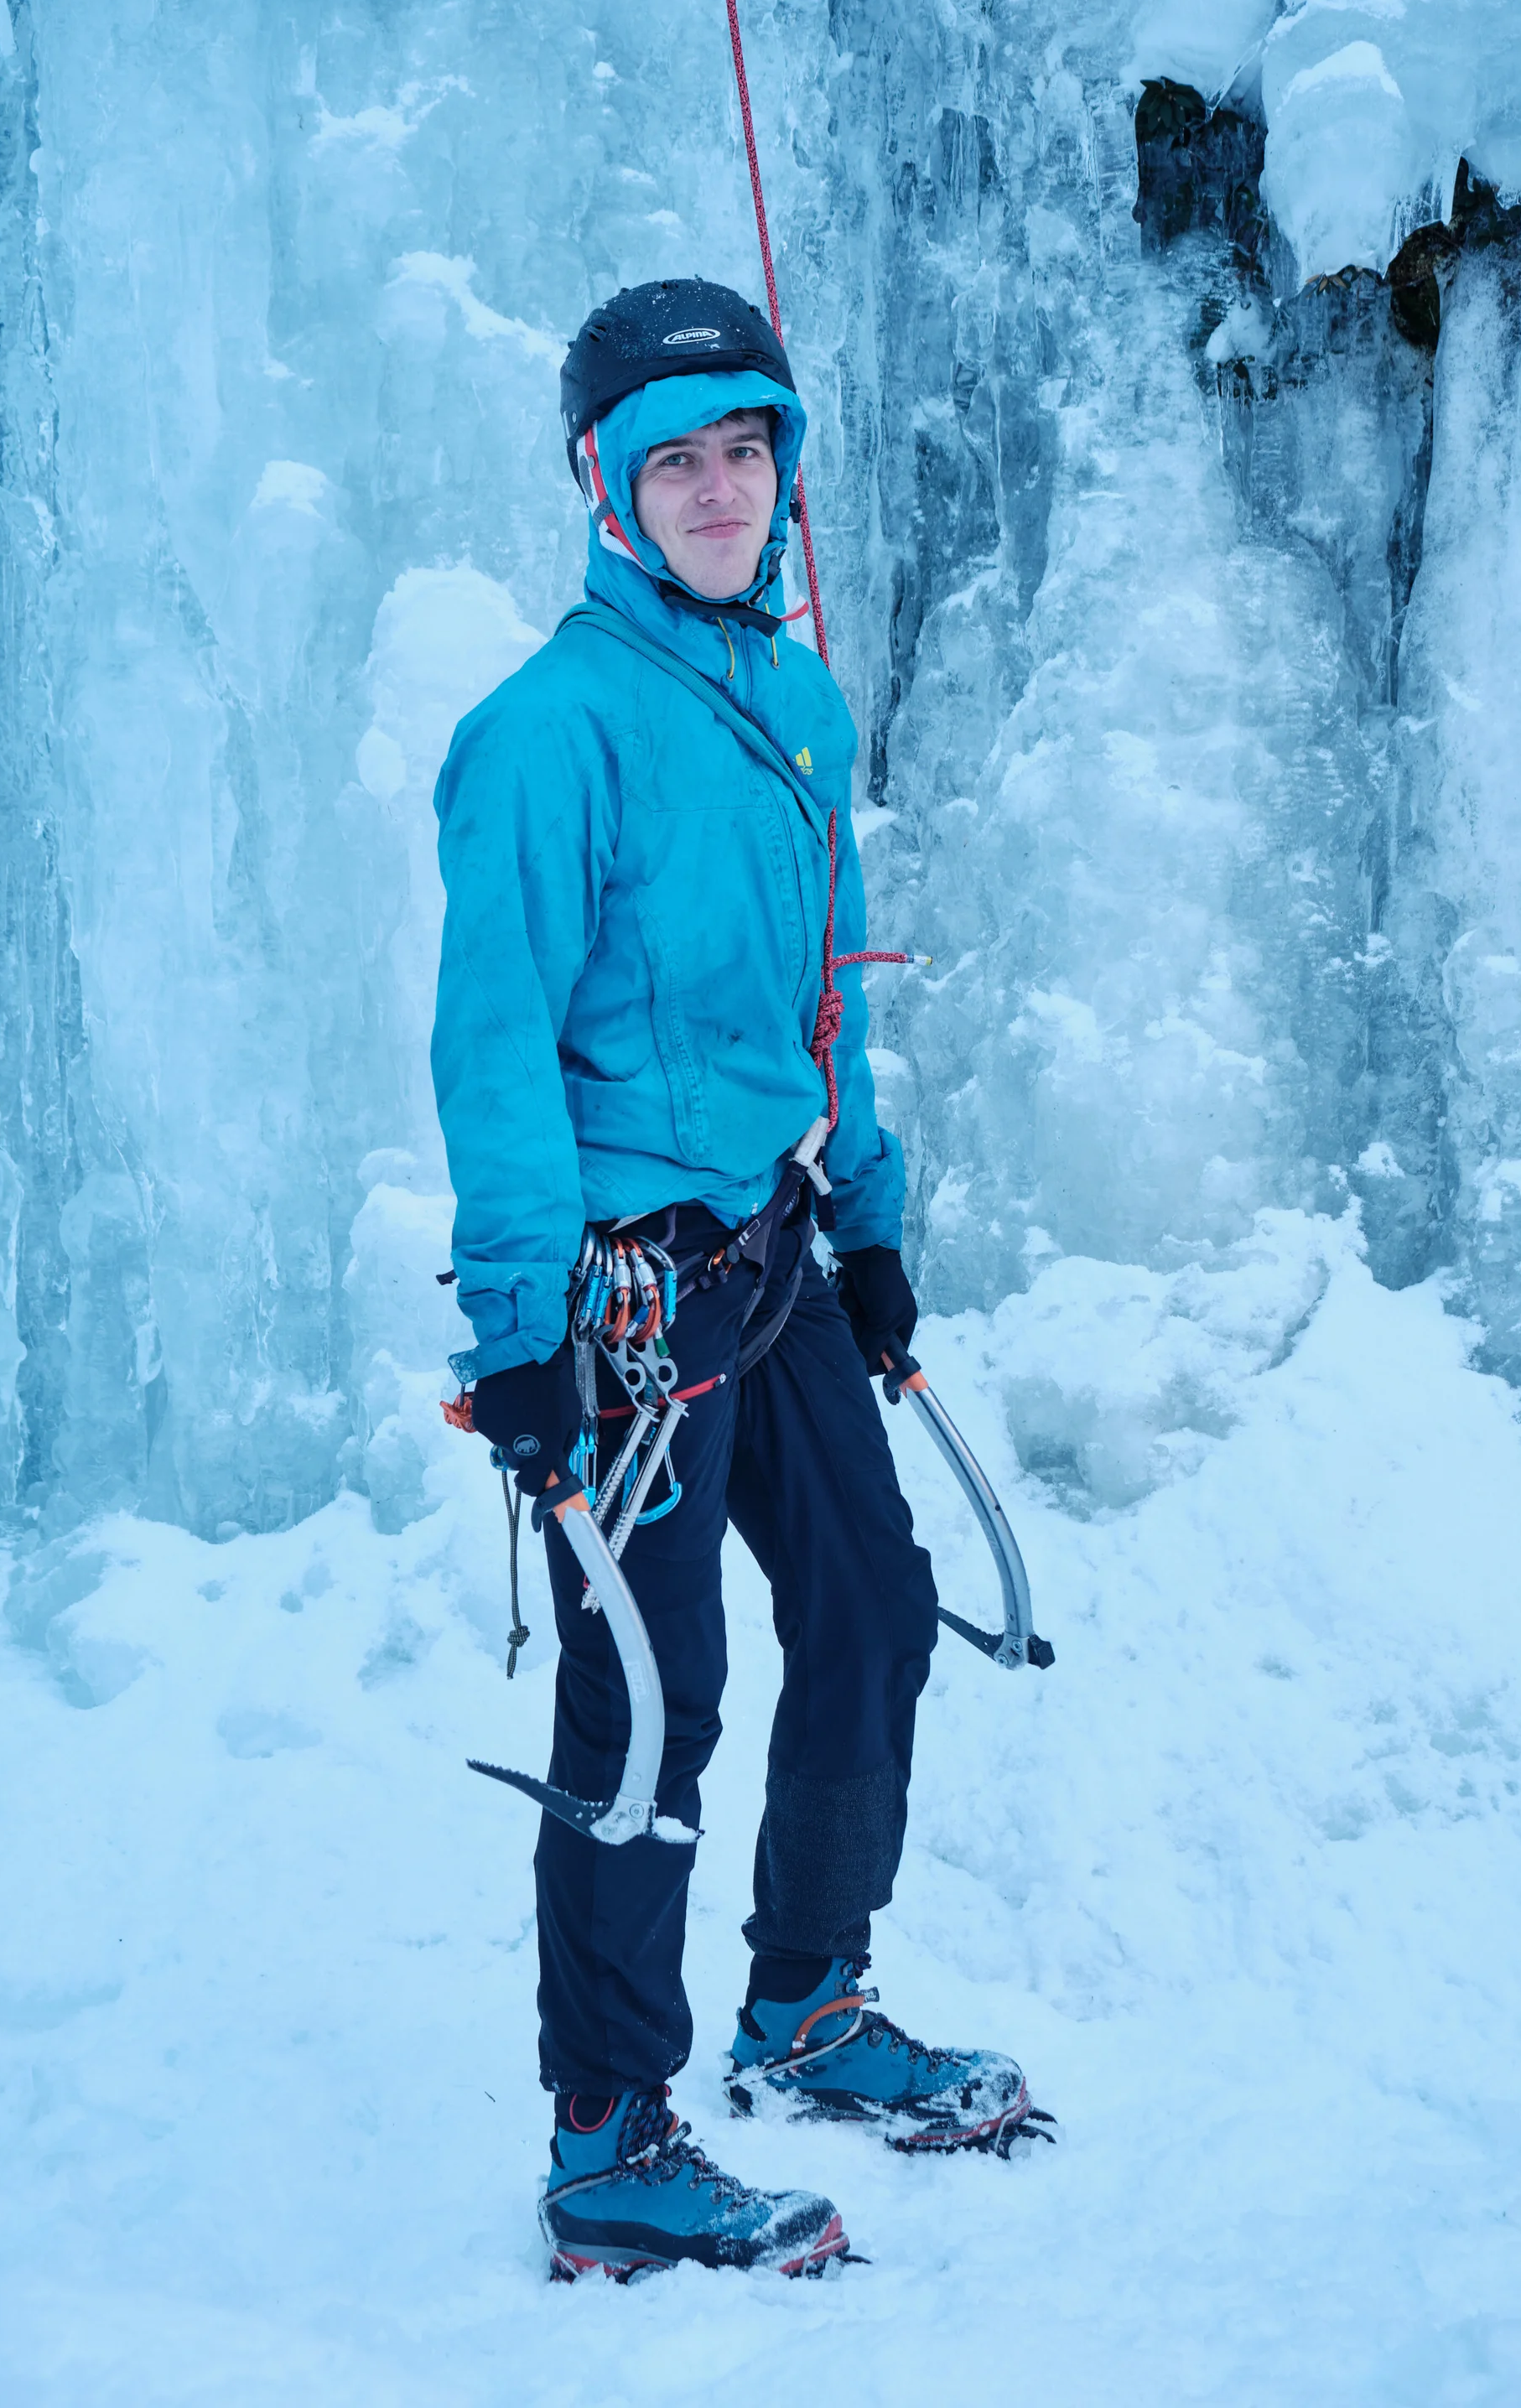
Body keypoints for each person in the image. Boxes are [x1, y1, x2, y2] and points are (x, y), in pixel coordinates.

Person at [431, 278, 1042, 2282]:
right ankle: (607, 2135)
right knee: (656, 1703)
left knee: (870, 1611)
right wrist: (518, 1335)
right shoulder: (542, 733)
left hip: (771, 1255)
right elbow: (495, 1046)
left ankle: (808, 2002)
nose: (716, 488)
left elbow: (822, 999)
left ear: (783, 470)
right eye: (671, 459)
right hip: (616, 1301)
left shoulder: (797, 700)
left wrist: (867, 1218)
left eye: (745, 450)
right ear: (607, 490)